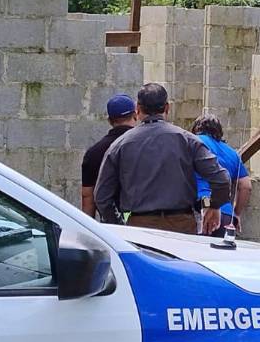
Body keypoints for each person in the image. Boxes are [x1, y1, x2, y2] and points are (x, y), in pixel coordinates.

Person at [94, 83, 230, 234]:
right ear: (167, 108)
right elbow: (222, 179)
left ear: (137, 109)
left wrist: (118, 224)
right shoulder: (187, 140)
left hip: (139, 227)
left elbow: (102, 196)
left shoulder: (120, 145)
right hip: (182, 226)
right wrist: (213, 205)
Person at [192, 113, 251, 237]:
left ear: (196, 129)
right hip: (226, 214)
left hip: (201, 209)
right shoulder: (232, 153)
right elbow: (246, 186)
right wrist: (236, 213)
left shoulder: (194, 142)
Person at [80, 94, 137, 217]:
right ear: (135, 115)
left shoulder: (93, 153)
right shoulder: (144, 145)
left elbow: (87, 196)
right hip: (142, 219)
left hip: (111, 222)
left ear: (110, 121)